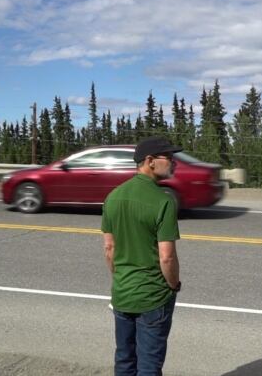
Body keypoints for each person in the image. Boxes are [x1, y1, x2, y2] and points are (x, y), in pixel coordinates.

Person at [101, 136, 183, 376]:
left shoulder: (113, 197)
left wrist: (122, 278)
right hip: (153, 296)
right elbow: (166, 257)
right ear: (150, 161)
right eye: (168, 158)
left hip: (122, 293)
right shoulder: (163, 201)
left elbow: (109, 249)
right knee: (148, 365)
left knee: (125, 359)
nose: (173, 163)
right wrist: (174, 285)